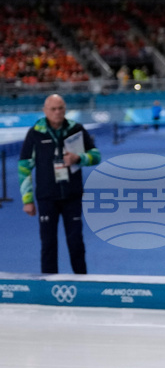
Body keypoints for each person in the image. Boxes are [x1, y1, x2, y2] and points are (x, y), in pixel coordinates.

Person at [18, 94, 102, 274]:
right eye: (53, 109)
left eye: (61, 108)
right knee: (48, 243)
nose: (57, 112)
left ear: (65, 109)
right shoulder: (35, 134)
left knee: (76, 242)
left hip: (72, 196)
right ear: (45, 111)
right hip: (47, 198)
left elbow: (96, 156)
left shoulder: (76, 129)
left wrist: (79, 158)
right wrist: (27, 200)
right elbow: (24, 168)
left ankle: (82, 281)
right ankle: (49, 283)